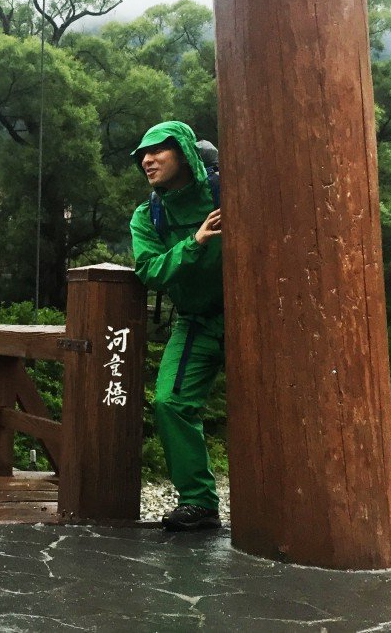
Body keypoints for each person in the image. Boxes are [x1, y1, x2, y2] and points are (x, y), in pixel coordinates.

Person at [130, 120, 223, 532]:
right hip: (196, 322)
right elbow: (150, 270)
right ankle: (199, 502)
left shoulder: (225, 193)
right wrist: (196, 241)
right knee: (170, 401)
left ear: (184, 152)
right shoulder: (148, 214)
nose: (147, 160)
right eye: (142, 156)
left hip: (253, 318)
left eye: (157, 151)